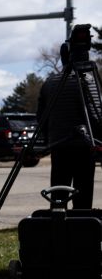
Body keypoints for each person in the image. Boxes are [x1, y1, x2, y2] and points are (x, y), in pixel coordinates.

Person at [37, 41, 98, 209]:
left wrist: (48, 139)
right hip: (84, 146)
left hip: (58, 146)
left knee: (58, 194)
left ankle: (58, 227)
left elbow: (41, 118)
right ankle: (82, 227)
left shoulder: (50, 82)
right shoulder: (88, 79)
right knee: (83, 197)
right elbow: (96, 114)